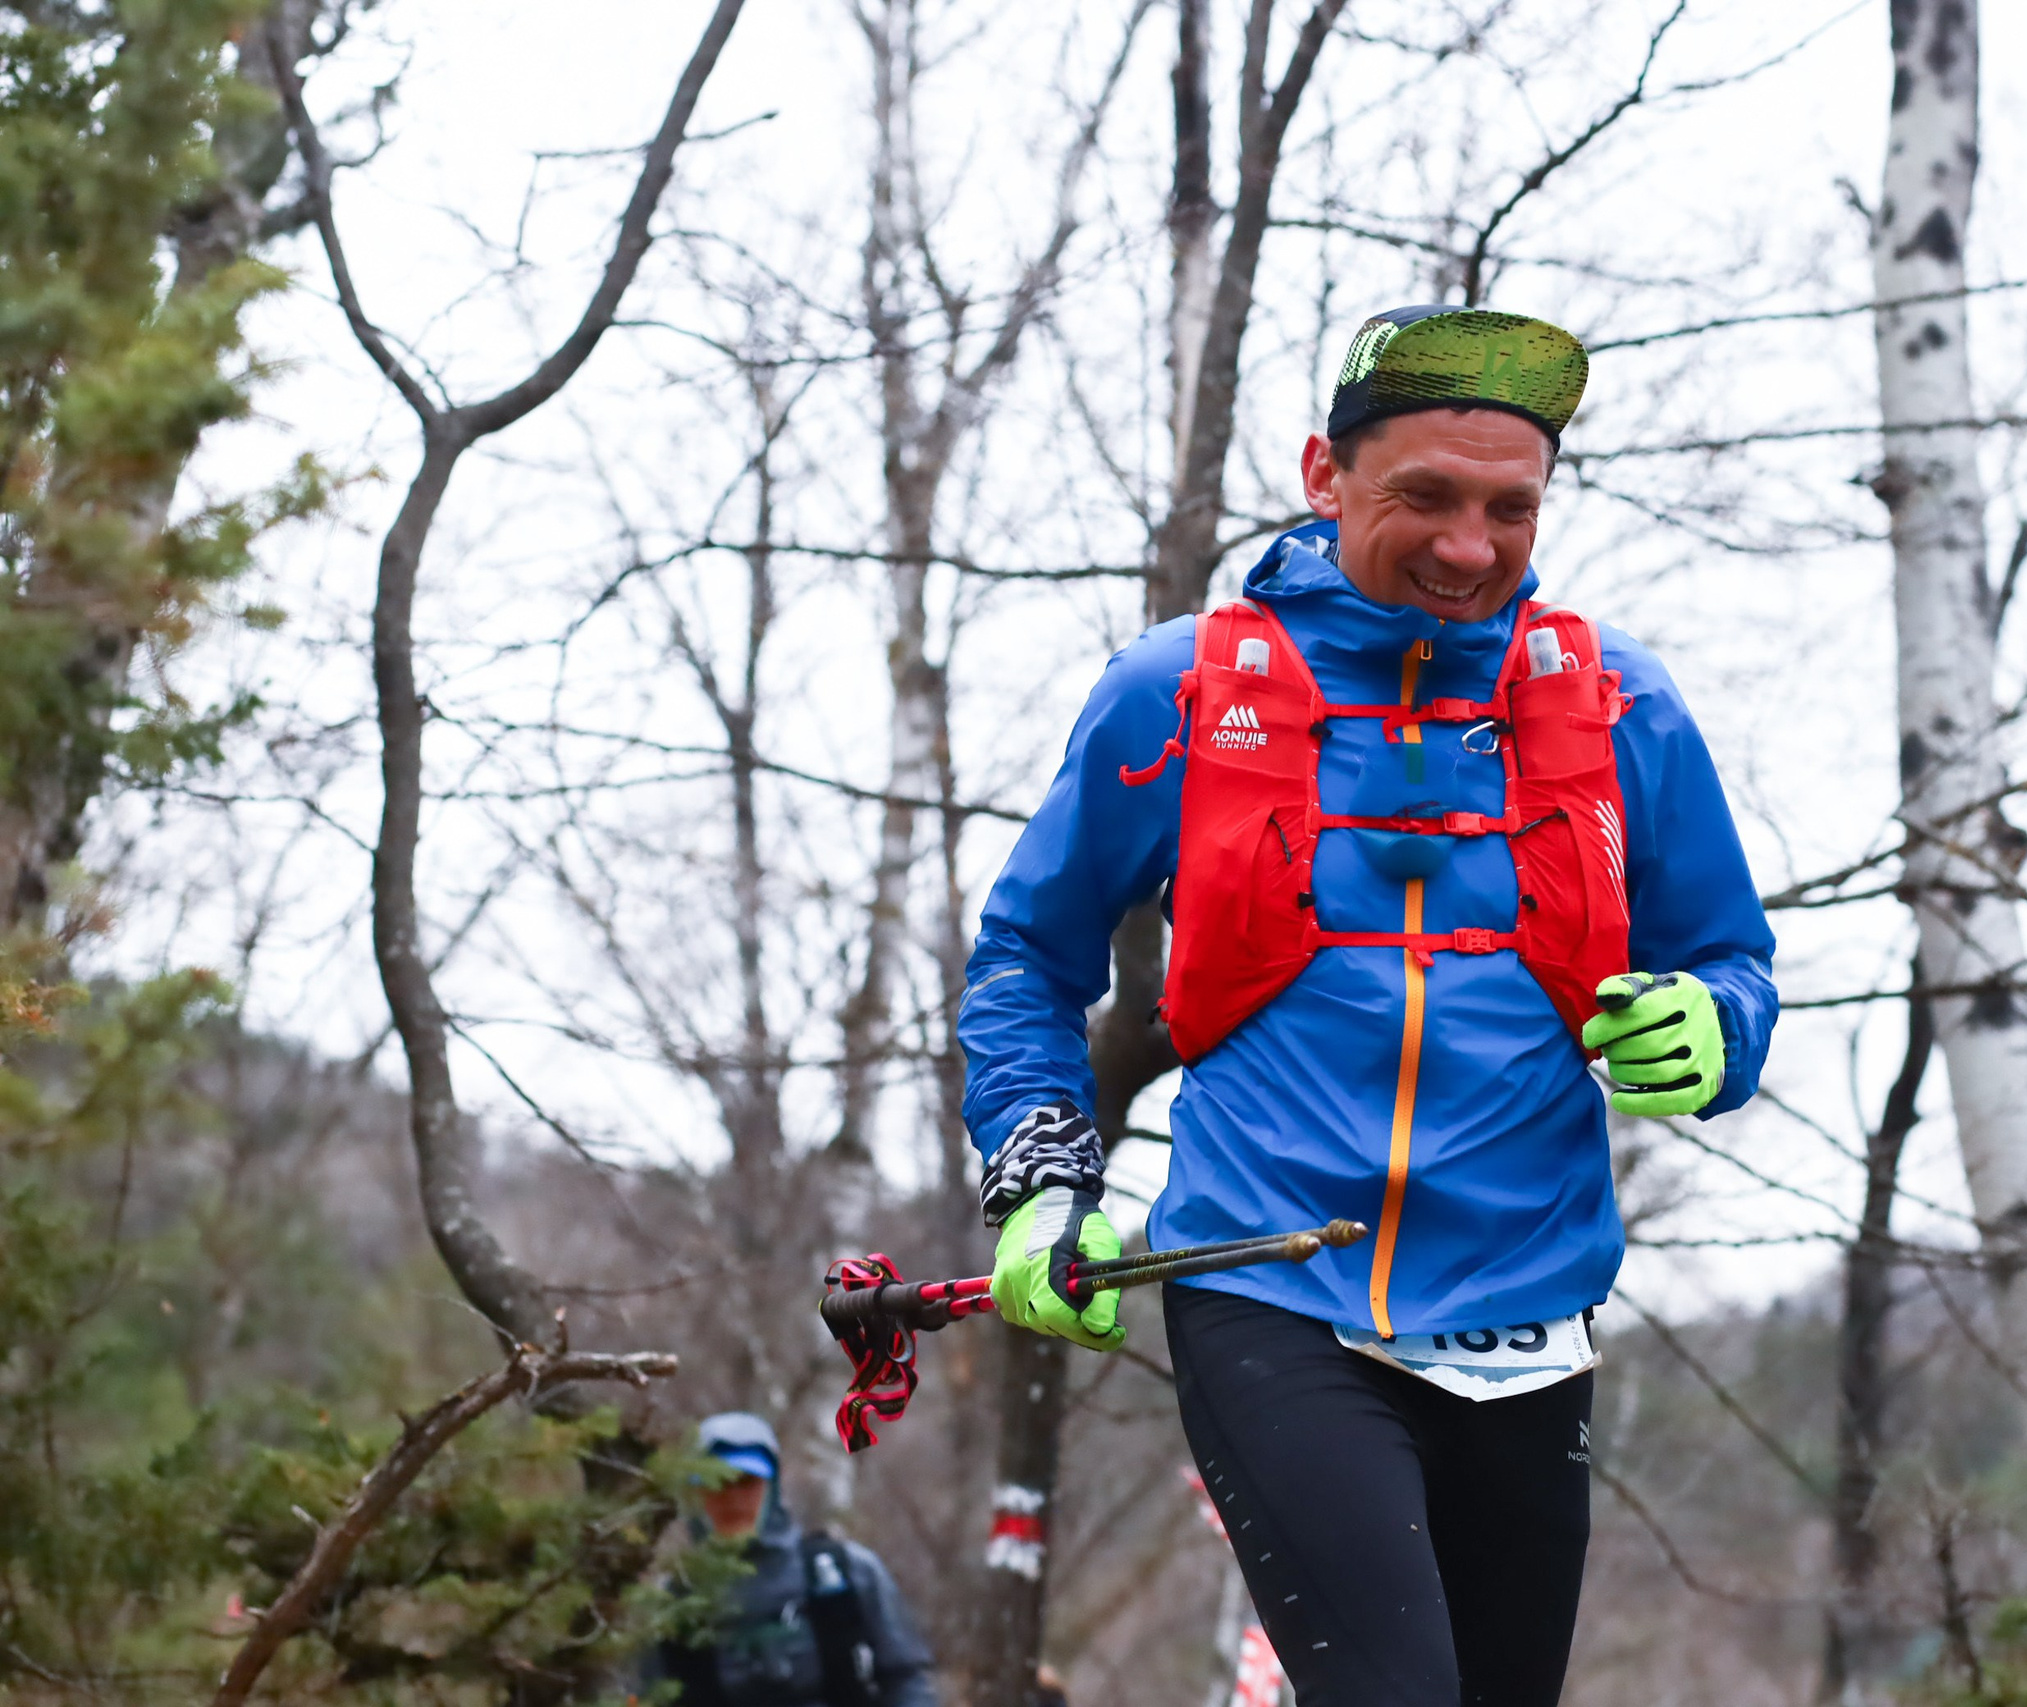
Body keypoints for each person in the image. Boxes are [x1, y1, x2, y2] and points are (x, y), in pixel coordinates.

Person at [958, 306, 1775, 1707]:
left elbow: (1730, 960)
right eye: (1428, 500)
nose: (1473, 546)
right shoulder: (1183, 687)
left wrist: (1713, 1032)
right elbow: (1028, 954)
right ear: (1322, 476)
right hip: (1270, 1284)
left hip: (1531, 1308)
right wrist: (1040, 1174)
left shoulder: (1621, 703)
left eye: (1512, 508)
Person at [646, 1412, 937, 1707]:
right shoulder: (672, 1605)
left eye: (746, 1481)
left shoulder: (845, 1574)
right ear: (694, 1495)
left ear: (771, 1489)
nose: (732, 1498)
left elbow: (906, 1681)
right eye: (716, 1483)